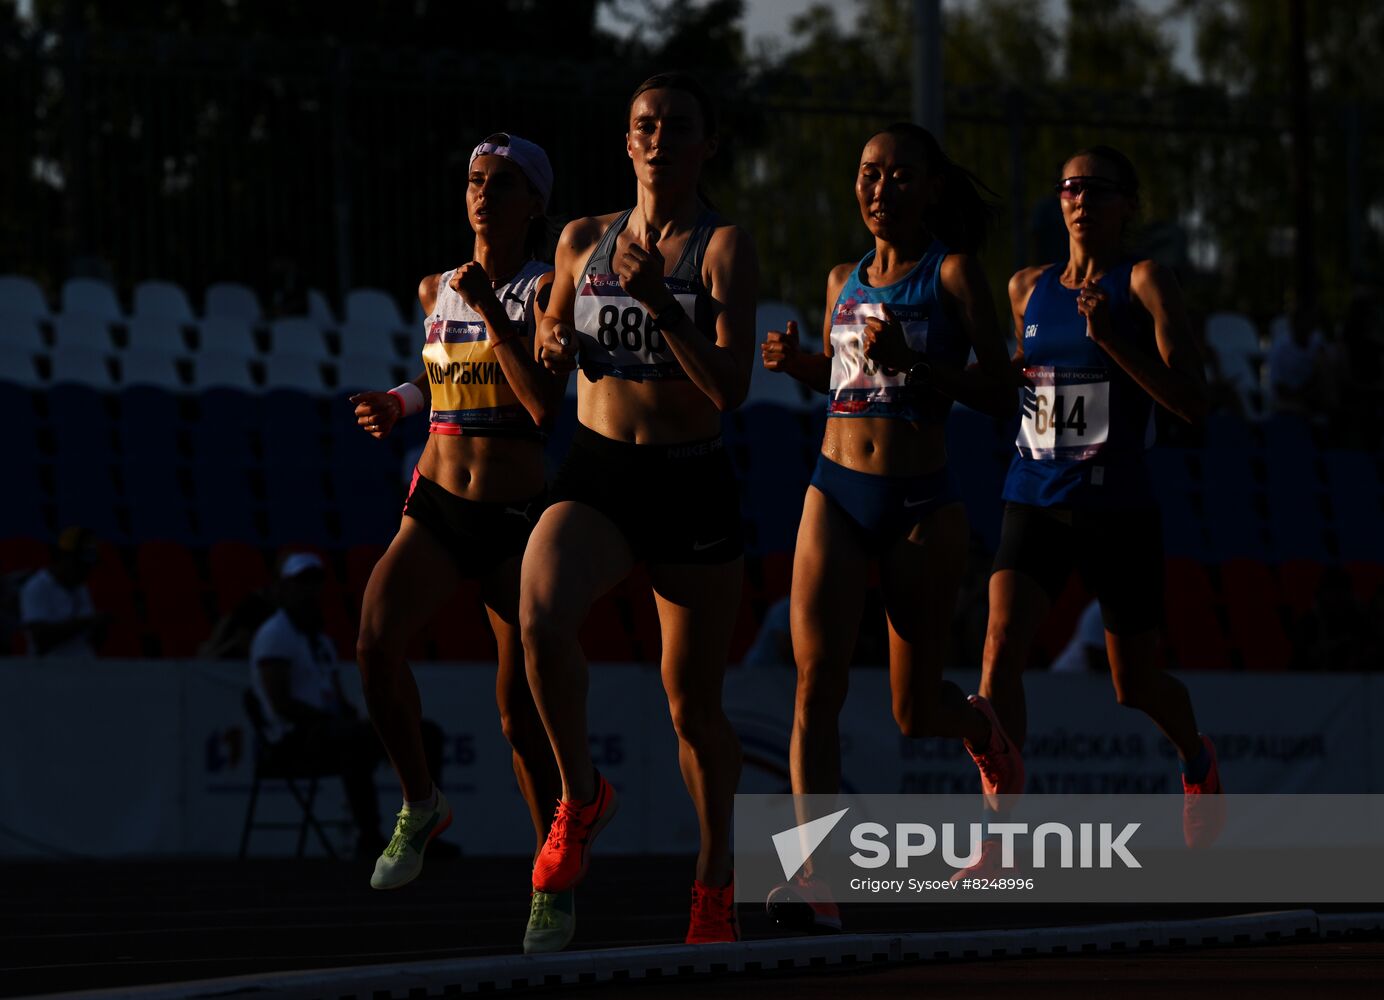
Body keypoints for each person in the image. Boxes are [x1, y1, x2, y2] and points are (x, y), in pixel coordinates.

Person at [758, 123, 1017, 932]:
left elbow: (1006, 395)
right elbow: (850, 380)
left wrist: (916, 363)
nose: (880, 189)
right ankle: (815, 879)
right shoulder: (842, 276)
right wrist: (803, 365)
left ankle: (981, 730)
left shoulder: (954, 273)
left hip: (919, 505)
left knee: (912, 711)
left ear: (932, 187)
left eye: (901, 176)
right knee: (815, 684)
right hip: (833, 490)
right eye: (869, 174)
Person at [523, 72, 757, 947]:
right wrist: (548, 335)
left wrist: (661, 303)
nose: (658, 137)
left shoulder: (723, 247)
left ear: (706, 144)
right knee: (542, 616)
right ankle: (581, 796)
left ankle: (715, 879)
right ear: (627, 142)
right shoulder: (582, 237)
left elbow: (732, 388)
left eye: (677, 125)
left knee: (692, 710)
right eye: (644, 125)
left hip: (690, 480)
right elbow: (551, 334)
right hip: (600, 471)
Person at [970, 145, 1224, 876]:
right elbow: (1018, 383)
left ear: (1126, 205)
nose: (1080, 198)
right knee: (999, 649)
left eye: (1097, 189)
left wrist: (1113, 342)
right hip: (1036, 494)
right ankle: (1000, 838)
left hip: (1119, 506)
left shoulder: (1144, 281)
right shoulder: (1028, 287)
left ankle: (1197, 759)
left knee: (1133, 685)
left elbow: (1193, 406)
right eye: (1069, 187)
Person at [347, 133, 569, 952]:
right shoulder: (436, 287)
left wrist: (486, 306)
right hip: (439, 500)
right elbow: (446, 371)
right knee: (373, 642)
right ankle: (420, 802)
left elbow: (545, 407)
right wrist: (402, 403)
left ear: (535, 204)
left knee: (519, 719)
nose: (484, 195)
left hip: (514, 522)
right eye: (476, 180)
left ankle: (553, 873)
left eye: (504, 184)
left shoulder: (548, 288)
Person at [249, 552, 433, 859]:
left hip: (327, 730)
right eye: (300, 584)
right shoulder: (274, 635)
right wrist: (337, 722)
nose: (309, 592)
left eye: (314, 584)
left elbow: (335, 696)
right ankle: (370, 836)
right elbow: (282, 704)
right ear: (283, 589)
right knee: (354, 742)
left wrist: (365, 718)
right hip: (291, 739)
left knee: (422, 734)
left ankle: (424, 831)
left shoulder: (320, 640)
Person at [19, 527, 110, 658]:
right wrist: (87, 622)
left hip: (84, 667)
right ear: (65, 558)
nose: (86, 573)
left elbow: (90, 641)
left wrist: (99, 628)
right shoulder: (36, 587)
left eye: (89, 568)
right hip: (50, 670)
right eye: (81, 566)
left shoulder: (80, 586)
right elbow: (40, 639)